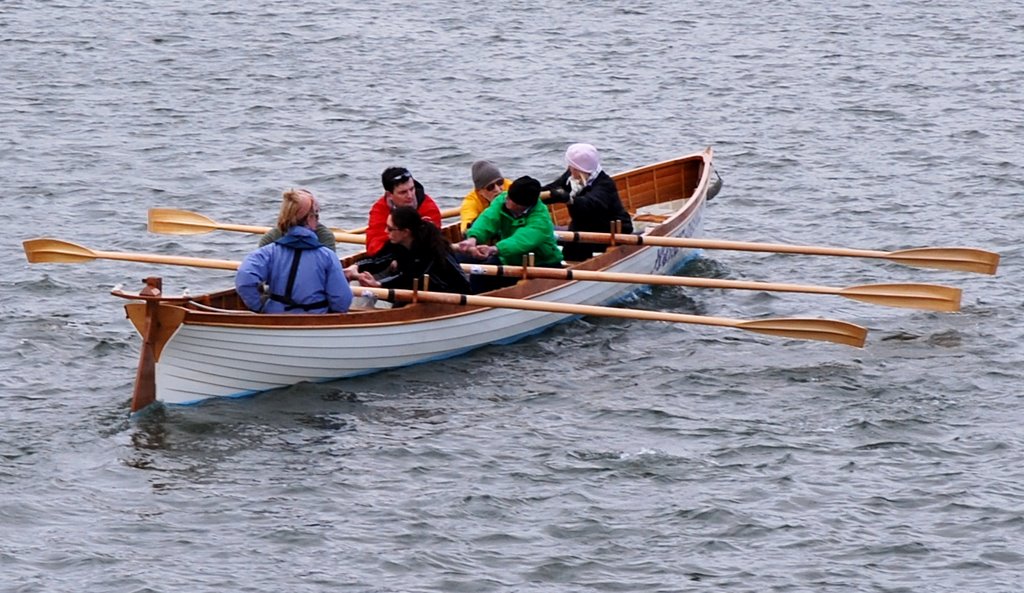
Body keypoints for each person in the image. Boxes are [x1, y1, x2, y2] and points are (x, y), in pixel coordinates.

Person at [236, 189, 353, 313]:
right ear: (309, 218)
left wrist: (259, 306)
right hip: (316, 318)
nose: (318, 221)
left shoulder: (267, 253)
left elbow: (244, 279)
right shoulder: (327, 256)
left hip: (276, 316)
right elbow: (342, 301)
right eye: (316, 215)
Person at [456, 176, 562, 291]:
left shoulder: (541, 220)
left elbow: (521, 240)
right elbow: (488, 219)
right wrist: (473, 238)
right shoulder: (502, 200)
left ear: (522, 205)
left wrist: (494, 249)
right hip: (509, 259)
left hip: (542, 263)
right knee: (479, 276)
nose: (505, 198)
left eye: (510, 199)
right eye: (508, 195)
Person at [540, 143, 633, 261]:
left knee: (577, 229)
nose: (569, 168)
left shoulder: (605, 185)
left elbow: (588, 205)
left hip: (612, 231)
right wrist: (531, 193)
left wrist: (569, 200)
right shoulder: (572, 176)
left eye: (571, 166)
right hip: (585, 227)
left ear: (579, 169)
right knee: (572, 230)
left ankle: (576, 267)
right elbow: (554, 188)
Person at [350, 206, 470, 294]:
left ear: (406, 232)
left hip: (452, 294)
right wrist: (356, 267)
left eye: (390, 229)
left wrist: (379, 284)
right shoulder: (397, 243)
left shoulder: (429, 249)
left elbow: (411, 277)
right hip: (422, 293)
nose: (386, 232)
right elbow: (378, 260)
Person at [365, 167, 442, 255]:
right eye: (403, 192)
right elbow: (373, 247)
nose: (410, 196)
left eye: (412, 189)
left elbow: (429, 242)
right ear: (389, 195)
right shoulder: (380, 208)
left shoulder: (428, 206)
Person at [459, 160, 511, 233]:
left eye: (500, 182)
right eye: (490, 187)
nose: (497, 189)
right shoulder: (471, 202)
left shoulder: (511, 187)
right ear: (479, 191)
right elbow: (466, 227)